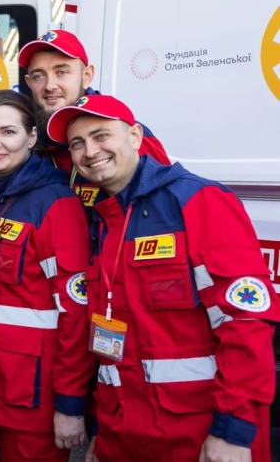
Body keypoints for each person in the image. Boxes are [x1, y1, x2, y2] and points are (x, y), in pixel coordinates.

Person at [47, 94, 280, 462]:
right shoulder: (101, 219)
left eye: (101, 135)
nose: (90, 151)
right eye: (78, 143)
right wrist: (103, 432)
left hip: (198, 433)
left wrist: (232, 431)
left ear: (135, 136)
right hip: (125, 431)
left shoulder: (198, 200)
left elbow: (245, 321)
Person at [0, 89, 93, 461]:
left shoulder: (56, 205)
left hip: (35, 396)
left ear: (31, 137)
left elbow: (76, 313)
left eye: (8, 132)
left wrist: (70, 405)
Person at [18, 29, 170, 195]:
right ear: (29, 82)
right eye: (38, 76)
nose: (50, 85)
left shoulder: (125, 134)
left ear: (87, 76)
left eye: (61, 72)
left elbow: (164, 207)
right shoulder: (27, 142)